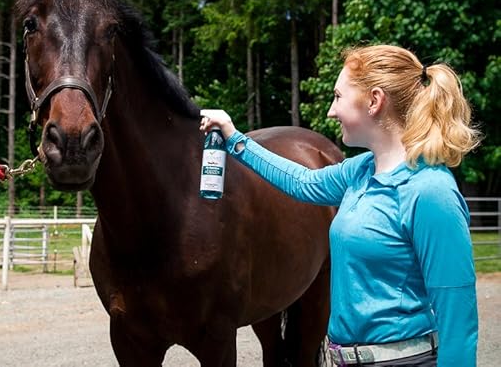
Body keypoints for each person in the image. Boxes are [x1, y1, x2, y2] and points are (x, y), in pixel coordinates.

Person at [200, 44, 480, 367]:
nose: (331, 111)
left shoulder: (431, 192)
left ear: (374, 101)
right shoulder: (361, 170)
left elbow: (458, 325)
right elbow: (301, 182)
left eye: (337, 97)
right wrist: (235, 138)